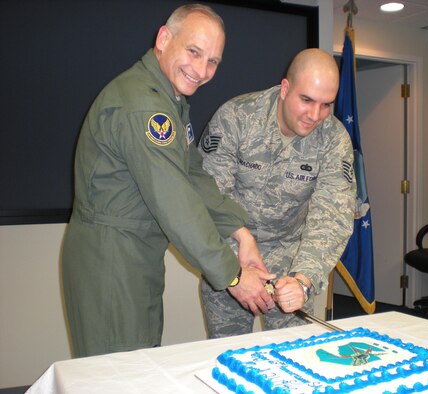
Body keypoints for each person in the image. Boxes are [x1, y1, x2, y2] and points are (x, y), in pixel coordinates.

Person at [62, 4, 275, 358]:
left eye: (213, 61)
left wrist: (241, 232)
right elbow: (175, 201)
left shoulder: (169, 100)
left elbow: (192, 174)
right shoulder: (146, 107)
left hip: (136, 255)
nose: (201, 70)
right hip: (112, 259)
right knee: (119, 376)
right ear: (164, 38)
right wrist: (234, 275)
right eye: (194, 52)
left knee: (138, 362)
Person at [198, 48, 357, 338]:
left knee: (291, 361)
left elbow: (331, 218)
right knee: (229, 358)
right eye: (306, 100)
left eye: (326, 105)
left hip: (290, 266)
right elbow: (208, 196)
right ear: (285, 88)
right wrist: (236, 270)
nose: (315, 115)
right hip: (229, 259)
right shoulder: (237, 118)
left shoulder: (333, 140)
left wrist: (304, 280)